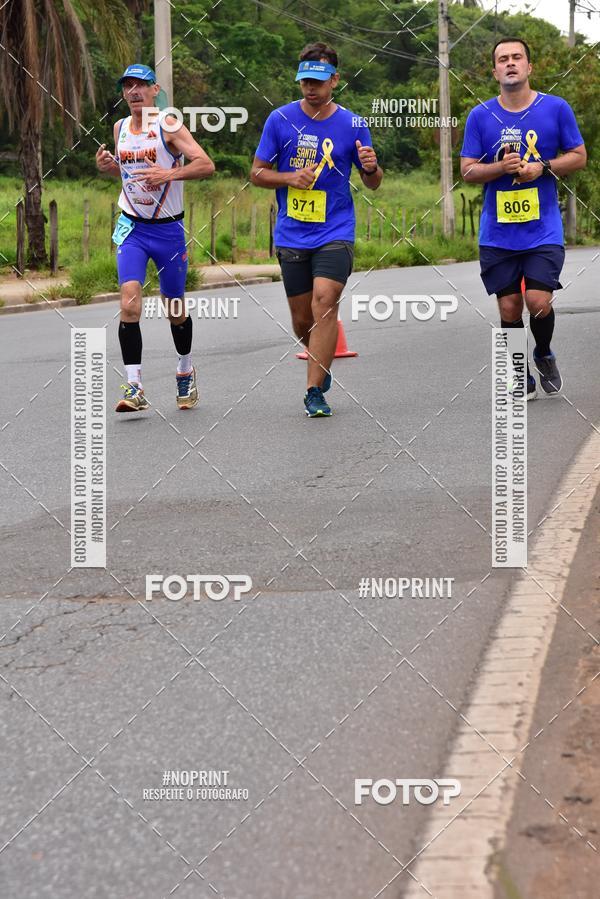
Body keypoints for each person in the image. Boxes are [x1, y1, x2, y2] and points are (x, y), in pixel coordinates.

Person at [250, 42, 382, 417]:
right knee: (302, 318)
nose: (311, 87)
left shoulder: (354, 124)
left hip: (335, 229)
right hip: (292, 232)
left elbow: (373, 183)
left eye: (319, 80)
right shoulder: (279, 120)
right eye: (305, 80)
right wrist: (290, 176)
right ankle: (320, 364)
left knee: (325, 300)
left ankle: (313, 391)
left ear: (335, 80)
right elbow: (257, 173)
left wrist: (371, 167)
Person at [460, 38, 586, 399]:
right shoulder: (480, 116)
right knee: (509, 306)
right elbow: (467, 171)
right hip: (498, 233)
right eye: (503, 59)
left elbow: (578, 156)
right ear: (494, 70)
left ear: (529, 67)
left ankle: (544, 354)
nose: (510, 63)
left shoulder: (555, 108)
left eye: (517, 57)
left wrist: (541, 168)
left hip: (542, 228)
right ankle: (520, 373)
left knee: (538, 301)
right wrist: (501, 167)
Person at [95, 64, 215, 412]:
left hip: (168, 231)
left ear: (154, 90)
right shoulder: (120, 128)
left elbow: (206, 165)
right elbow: (127, 170)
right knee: (129, 302)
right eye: (128, 86)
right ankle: (134, 386)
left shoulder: (169, 125)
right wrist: (107, 166)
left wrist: (170, 173)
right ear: (123, 93)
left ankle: (184, 369)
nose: (134, 92)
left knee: (174, 308)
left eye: (141, 86)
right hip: (133, 227)